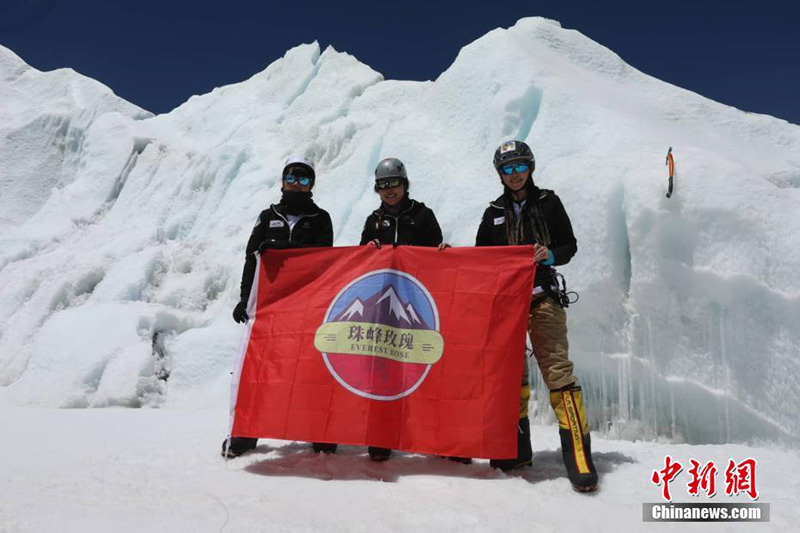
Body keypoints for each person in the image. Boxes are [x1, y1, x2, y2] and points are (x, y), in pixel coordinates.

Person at [475, 140, 598, 492]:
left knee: (558, 372)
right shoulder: (492, 212)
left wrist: (550, 256)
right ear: (500, 174)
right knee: (511, 376)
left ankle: (579, 455)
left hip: (544, 299)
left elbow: (569, 245)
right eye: (507, 169)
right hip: (506, 306)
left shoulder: (549, 203)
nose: (514, 175)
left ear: (530, 167)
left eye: (519, 167)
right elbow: (480, 259)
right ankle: (516, 450)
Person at [223, 154, 335, 458]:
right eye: (292, 177)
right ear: (282, 180)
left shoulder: (320, 218)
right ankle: (246, 432)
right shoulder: (267, 215)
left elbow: (323, 257)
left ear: (312, 184)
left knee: (311, 368)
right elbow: (252, 259)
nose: (297, 184)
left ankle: (320, 430)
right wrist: (245, 298)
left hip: (307, 304)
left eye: (304, 179)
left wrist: (284, 249)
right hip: (270, 306)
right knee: (259, 369)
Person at [358, 157, 450, 462]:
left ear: (404, 183)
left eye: (393, 183)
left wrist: (442, 253)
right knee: (382, 371)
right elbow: (360, 263)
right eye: (382, 185)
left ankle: (428, 434)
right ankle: (381, 437)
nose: (389, 190)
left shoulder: (423, 215)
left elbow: (437, 257)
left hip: (416, 304)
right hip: (383, 309)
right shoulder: (373, 220)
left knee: (421, 369)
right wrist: (367, 250)